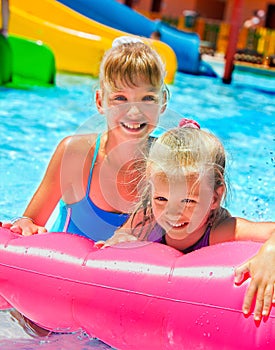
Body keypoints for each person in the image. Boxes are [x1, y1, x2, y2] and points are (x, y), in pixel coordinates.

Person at [101, 123, 275, 322]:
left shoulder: (221, 231)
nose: (172, 213)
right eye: (161, 199)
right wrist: (119, 242)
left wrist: (270, 254)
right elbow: (119, 238)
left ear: (215, 198)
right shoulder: (146, 219)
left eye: (188, 201)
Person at [3, 36, 168, 239]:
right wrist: (25, 225)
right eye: (120, 98)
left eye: (148, 99)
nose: (134, 111)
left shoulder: (168, 163)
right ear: (100, 102)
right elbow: (31, 221)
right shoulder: (75, 154)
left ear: (163, 102)